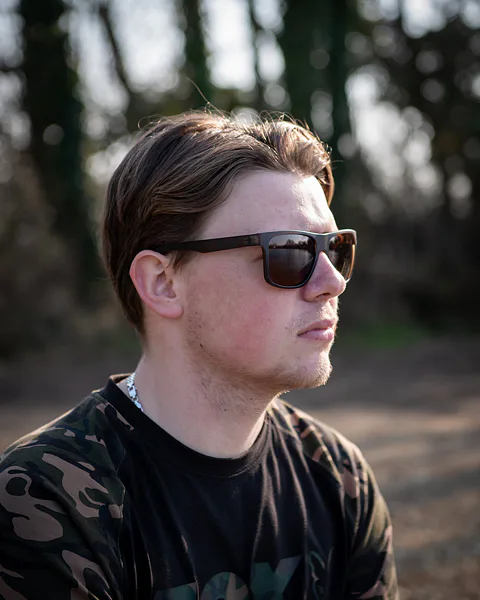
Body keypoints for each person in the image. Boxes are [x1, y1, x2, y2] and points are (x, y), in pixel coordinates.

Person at [0, 111, 398, 599]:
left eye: (334, 248)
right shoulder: (43, 501)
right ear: (163, 283)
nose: (333, 282)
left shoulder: (338, 477)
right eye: (290, 251)